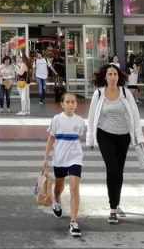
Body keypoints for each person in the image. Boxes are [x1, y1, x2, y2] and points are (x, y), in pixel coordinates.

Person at [86, 63, 144, 225]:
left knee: (118, 171)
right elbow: (91, 118)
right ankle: (113, 209)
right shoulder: (98, 94)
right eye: (110, 74)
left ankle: (116, 203)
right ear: (104, 77)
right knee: (112, 168)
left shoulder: (126, 93)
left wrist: (139, 136)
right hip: (104, 134)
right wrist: (90, 137)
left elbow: (135, 115)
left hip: (123, 135)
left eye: (115, 74)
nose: (112, 77)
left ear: (118, 77)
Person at [44, 92, 87, 238]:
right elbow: (51, 138)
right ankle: (57, 200)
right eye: (67, 102)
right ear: (62, 104)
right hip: (60, 158)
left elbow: (79, 136)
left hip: (75, 157)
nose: (70, 104)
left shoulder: (80, 121)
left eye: (73, 102)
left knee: (74, 187)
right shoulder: (57, 119)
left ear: (76, 104)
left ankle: (73, 222)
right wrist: (46, 158)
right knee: (59, 187)